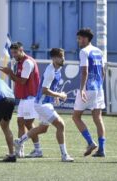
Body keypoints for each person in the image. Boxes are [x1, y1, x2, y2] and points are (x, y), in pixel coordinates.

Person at [14, 48, 74, 162]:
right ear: (53, 58)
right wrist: (60, 95)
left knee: (43, 129)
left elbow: (51, 87)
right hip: (42, 104)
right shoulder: (50, 72)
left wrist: (55, 96)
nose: (63, 58)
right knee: (61, 125)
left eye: (63, 56)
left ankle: (19, 141)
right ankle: (64, 155)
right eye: (60, 56)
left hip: (45, 103)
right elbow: (44, 90)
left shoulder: (58, 69)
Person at [0, 42, 43, 158]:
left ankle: (38, 149)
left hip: (31, 97)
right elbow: (19, 80)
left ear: (21, 50)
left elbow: (22, 81)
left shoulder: (27, 62)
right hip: (24, 98)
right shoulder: (18, 62)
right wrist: (11, 73)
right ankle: (20, 150)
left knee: (28, 123)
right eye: (12, 52)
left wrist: (10, 73)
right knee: (20, 123)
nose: (13, 54)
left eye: (15, 52)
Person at [72, 28, 106, 157]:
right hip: (98, 88)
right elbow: (102, 71)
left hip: (88, 88)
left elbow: (84, 71)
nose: (78, 41)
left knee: (75, 116)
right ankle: (101, 149)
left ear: (86, 39)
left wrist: (82, 89)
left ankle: (91, 142)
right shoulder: (99, 51)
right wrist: (99, 85)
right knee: (98, 118)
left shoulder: (84, 51)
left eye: (80, 38)